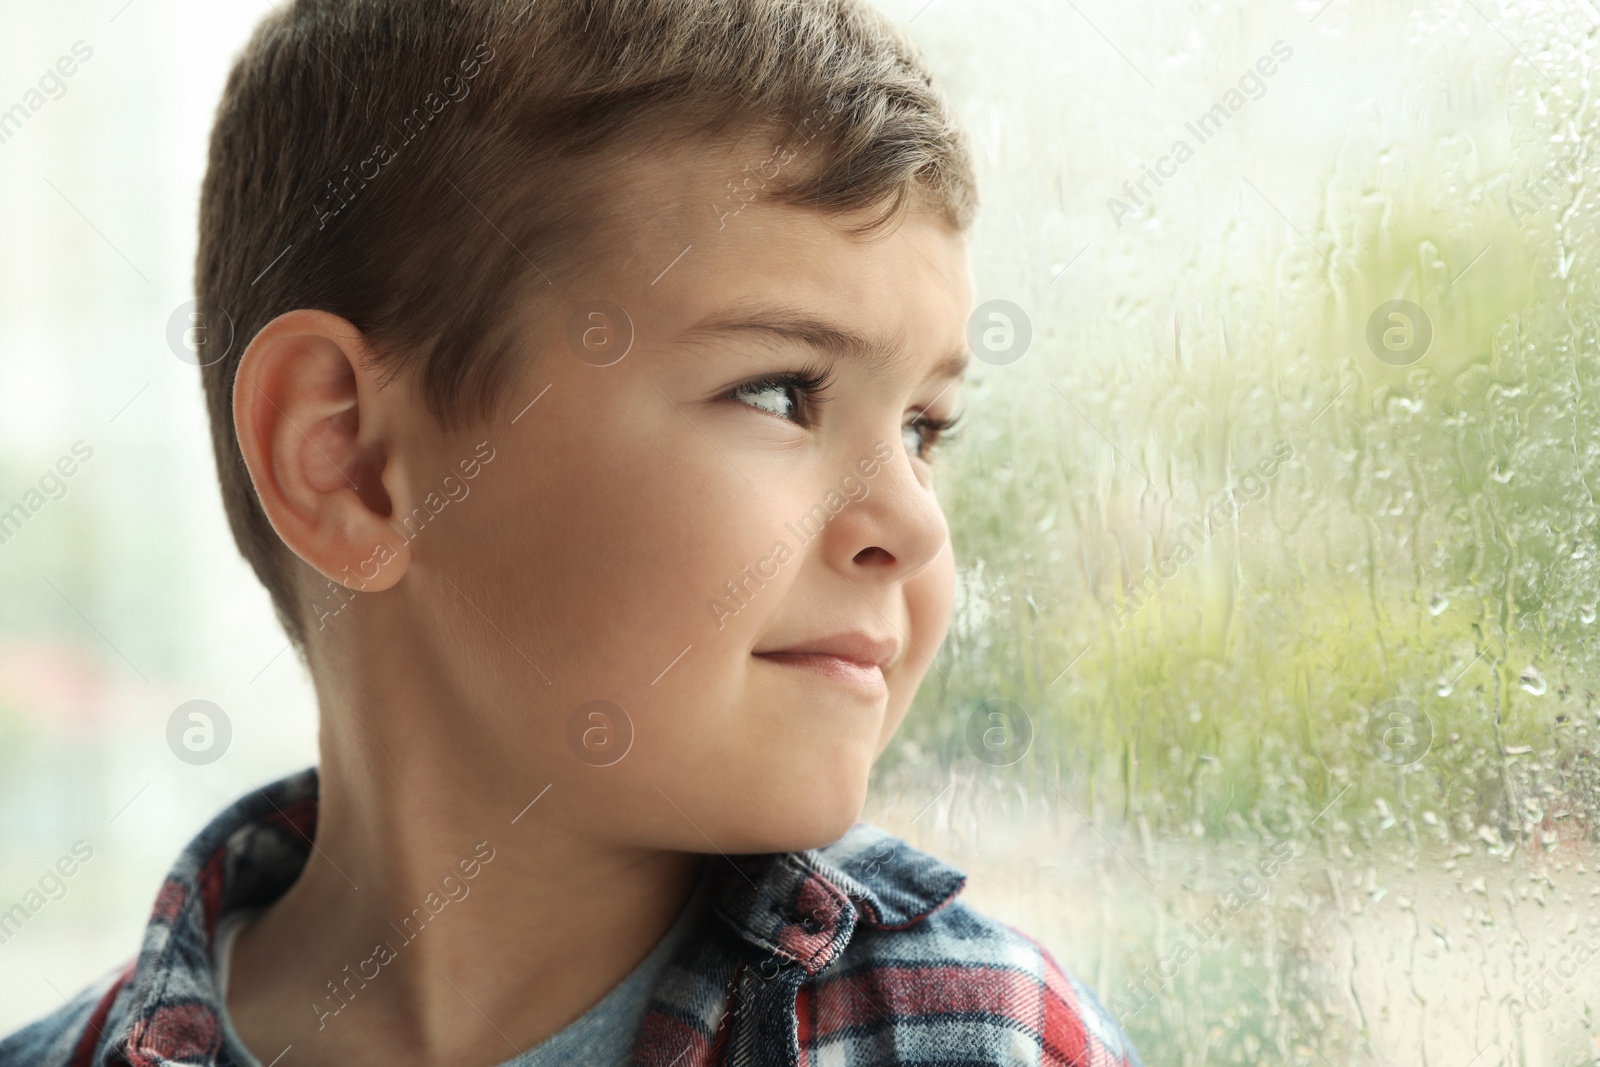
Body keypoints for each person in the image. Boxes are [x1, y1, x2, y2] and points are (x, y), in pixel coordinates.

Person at [0, 0, 1141, 1063]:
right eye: (779, 390)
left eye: (924, 426)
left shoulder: (976, 1035)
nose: (913, 523)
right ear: (351, 461)